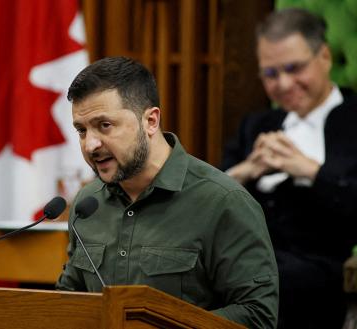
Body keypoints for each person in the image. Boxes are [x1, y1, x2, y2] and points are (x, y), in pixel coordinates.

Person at [56, 56, 279, 329]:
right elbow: (68, 301)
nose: (90, 145)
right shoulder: (87, 204)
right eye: (81, 130)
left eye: (105, 126)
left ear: (150, 121)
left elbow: (258, 316)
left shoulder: (223, 202)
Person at [222, 8, 357, 329]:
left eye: (294, 68)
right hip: (247, 259)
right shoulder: (256, 126)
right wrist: (246, 170)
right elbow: (209, 196)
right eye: (270, 74)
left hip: (317, 268)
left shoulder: (353, 120)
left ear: (324, 56)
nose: (283, 84)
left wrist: (309, 170)